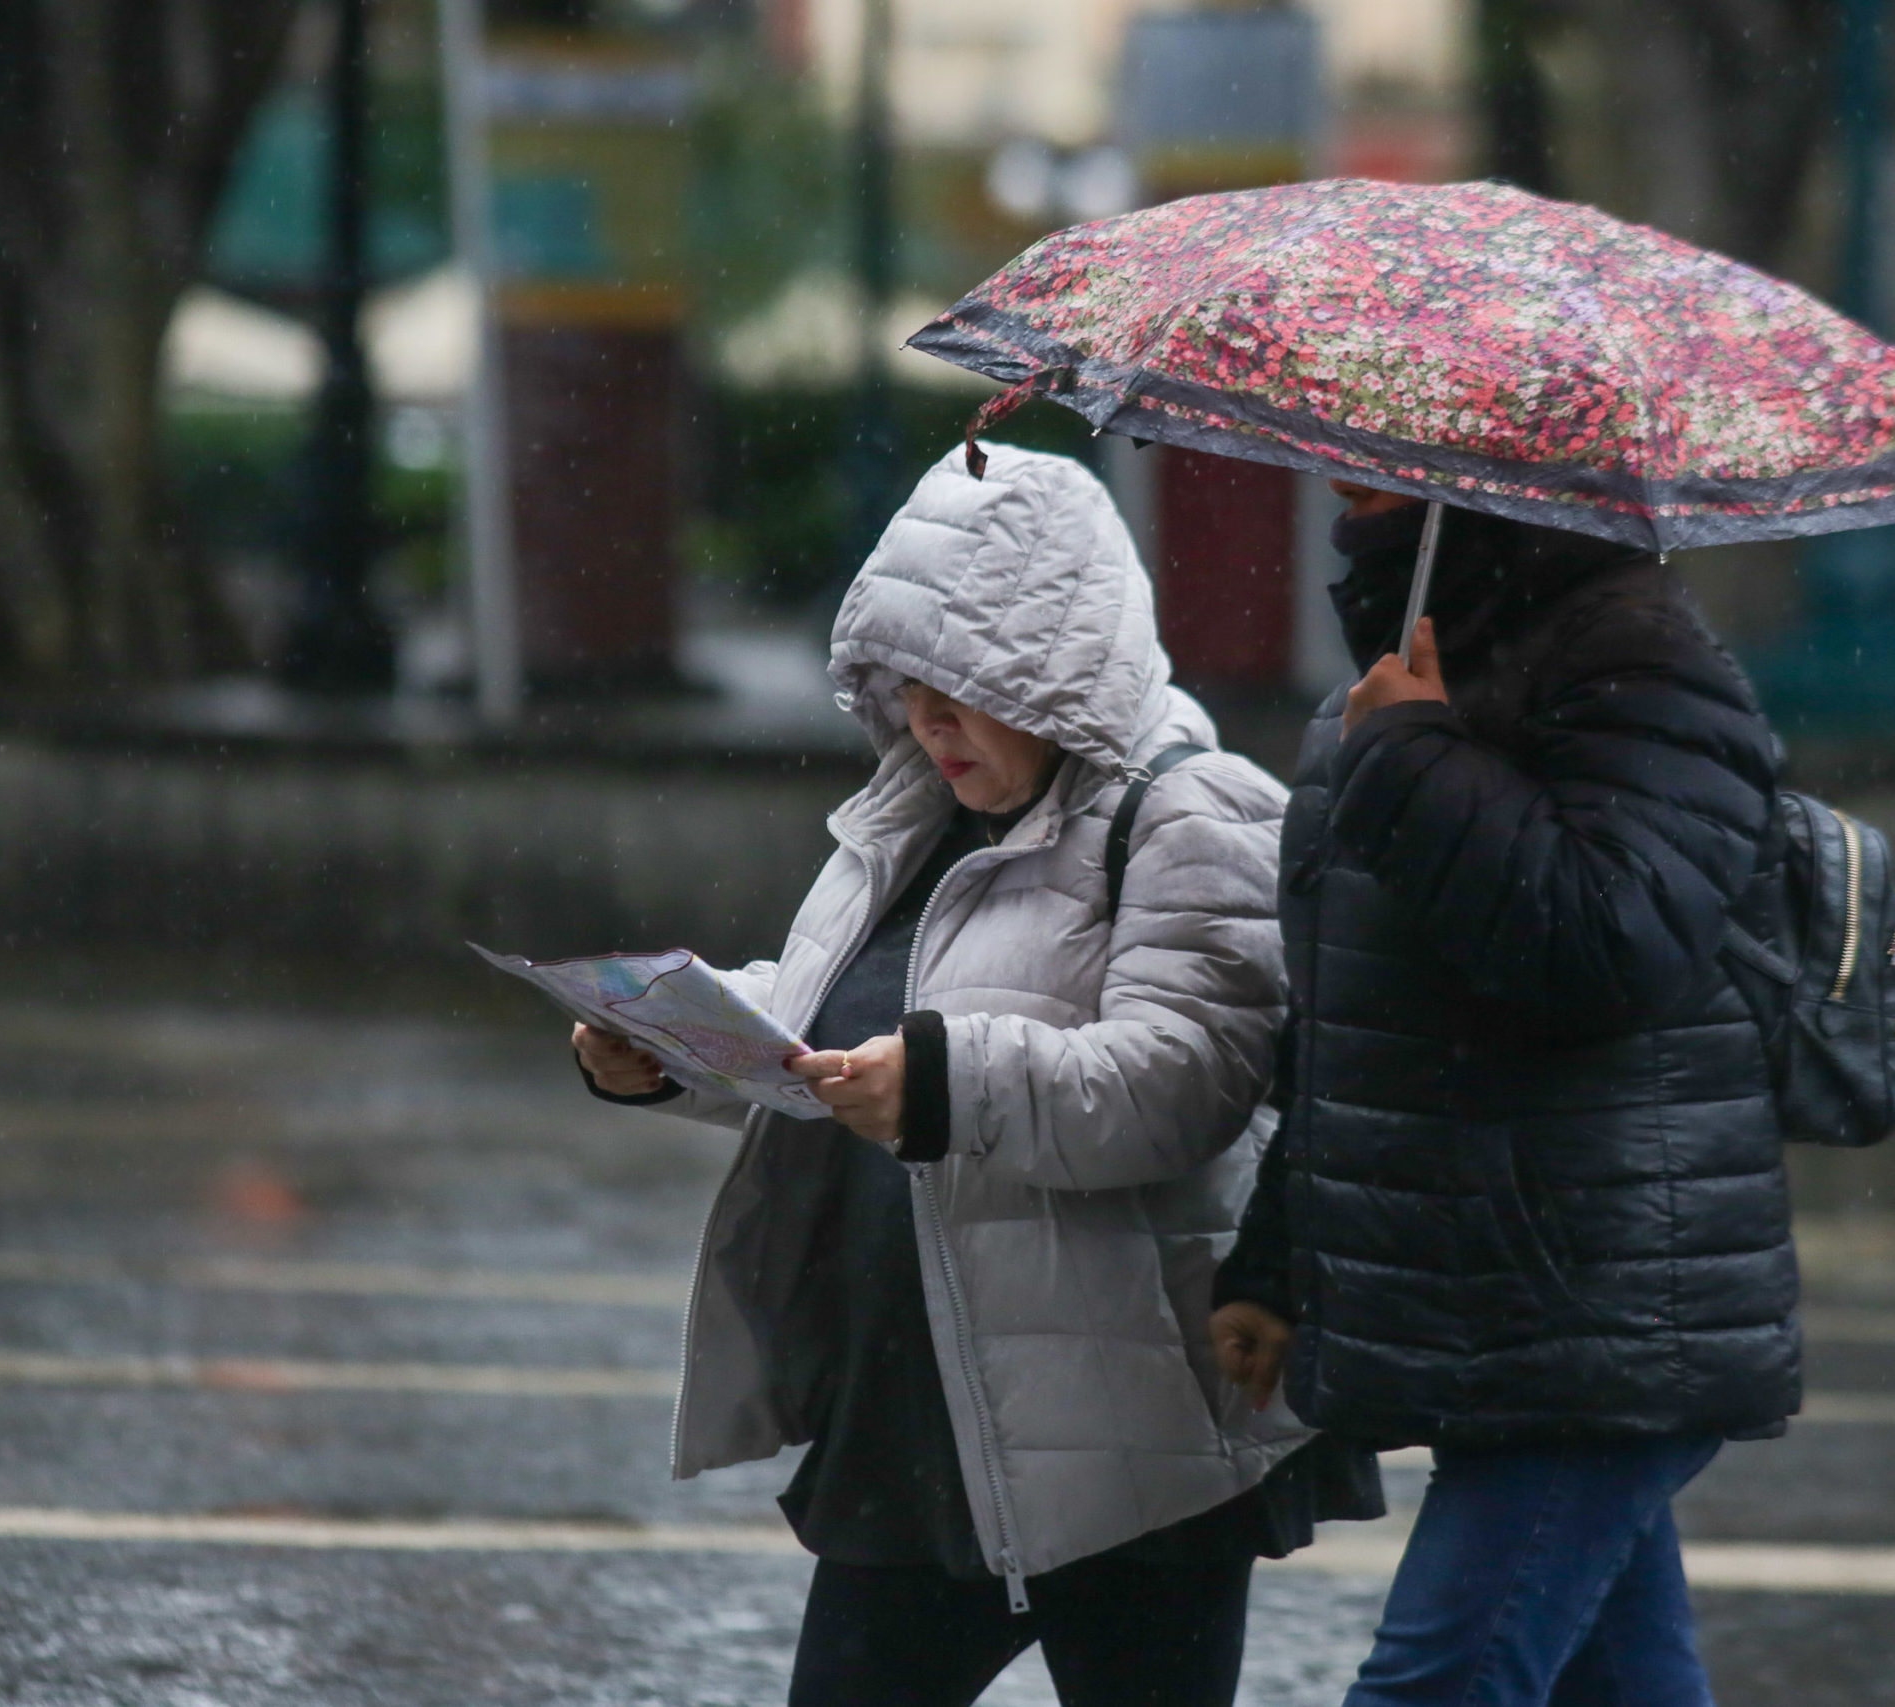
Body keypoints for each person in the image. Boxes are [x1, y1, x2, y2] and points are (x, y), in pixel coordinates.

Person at [574, 443, 1379, 1707]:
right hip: (912, 1417)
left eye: (960, 688)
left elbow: (1183, 1082)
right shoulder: (915, 812)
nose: (926, 721)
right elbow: (831, 1021)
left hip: (1122, 1442)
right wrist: (669, 1048)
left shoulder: (1195, 810)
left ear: (1053, 672)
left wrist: (945, 1084)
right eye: (903, 687)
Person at [1209, 484, 1795, 1707]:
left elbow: (1611, 940)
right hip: (1505, 1300)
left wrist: (1408, 759)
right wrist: (1277, 1259)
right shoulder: (1414, 655)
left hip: (1595, 1298)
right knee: (1621, 1684)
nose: (1348, 460)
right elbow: (1358, 1011)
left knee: (1435, 1683)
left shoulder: (1634, 651)